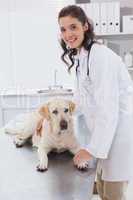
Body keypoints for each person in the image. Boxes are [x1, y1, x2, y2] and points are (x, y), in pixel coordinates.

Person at [57, 4, 133, 200]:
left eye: (73, 27)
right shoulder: (83, 57)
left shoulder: (100, 57)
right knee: (102, 189)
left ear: (85, 26)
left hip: (118, 135)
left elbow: (108, 108)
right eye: (63, 29)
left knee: (112, 194)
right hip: (105, 135)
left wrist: (90, 150)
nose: (68, 34)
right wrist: (58, 114)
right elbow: (82, 99)